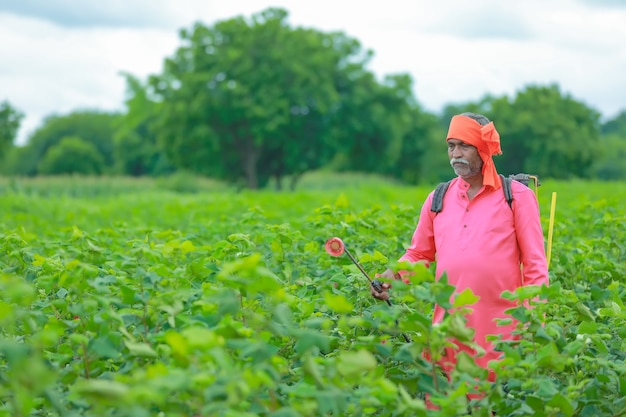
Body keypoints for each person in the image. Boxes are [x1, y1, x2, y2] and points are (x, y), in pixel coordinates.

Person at [371, 112, 549, 387]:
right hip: (448, 332)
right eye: (451, 146)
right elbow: (419, 254)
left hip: (502, 334)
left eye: (464, 145)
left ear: (484, 149)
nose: (456, 154)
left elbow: (536, 266)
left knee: (491, 404)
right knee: (444, 403)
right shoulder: (438, 197)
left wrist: (534, 322)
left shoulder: (516, 196)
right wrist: (392, 277)